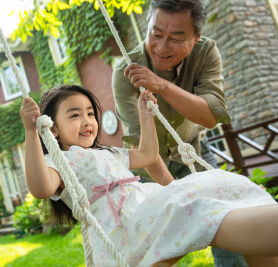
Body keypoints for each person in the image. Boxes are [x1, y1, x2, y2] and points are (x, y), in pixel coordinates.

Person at [20, 84, 278, 267]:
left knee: (208, 184)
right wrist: (31, 133)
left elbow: (148, 153)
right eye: (74, 115)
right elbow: (41, 188)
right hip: (122, 228)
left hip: (144, 206)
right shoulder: (60, 161)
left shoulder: (108, 152)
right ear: (51, 129)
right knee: (194, 205)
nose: (87, 120)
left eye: (90, 113)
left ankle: (259, 215)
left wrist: (145, 114)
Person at [111, 0, 245, 265]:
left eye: (175, 38)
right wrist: (179, 193)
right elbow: (144, 150)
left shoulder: (206, 52)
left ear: (195, 38)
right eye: (156, 33)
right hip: (149, 166)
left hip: (192, 151)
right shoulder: (126, 72)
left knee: (227, 223)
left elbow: (210, 116)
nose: (161, 47)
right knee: (154, 247)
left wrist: (162, 86)